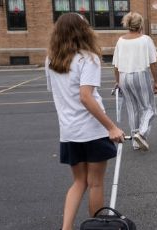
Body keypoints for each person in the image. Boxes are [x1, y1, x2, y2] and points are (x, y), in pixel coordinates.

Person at [45, 13, 125, 230]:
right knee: (96, 183)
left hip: (69, 131)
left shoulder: (51, 60)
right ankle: (97, 226)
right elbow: (86, 96)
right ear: (83, 31)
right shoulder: (88, 58)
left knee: (79, 182)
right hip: (92, 131)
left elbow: (58, 94)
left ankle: (66, 228)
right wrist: (112, 127)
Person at [112, 12, 157, 151]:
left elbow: (115, 65)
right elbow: (153, 63)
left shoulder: (120, 40)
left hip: (124, 76)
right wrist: (156, 81)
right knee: (149, 108)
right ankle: (141, 133)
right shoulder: (145, 39)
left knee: (132, 109)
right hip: (140, 74)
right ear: (140, 25)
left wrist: (118, 81)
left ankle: (135, 141)